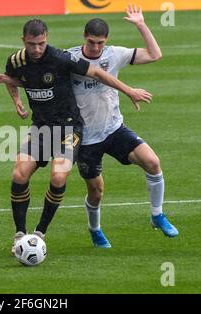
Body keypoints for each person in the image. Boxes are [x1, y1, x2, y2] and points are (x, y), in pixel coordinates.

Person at [0, 19, 152, 254]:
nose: (36, 49)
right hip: (41, 128)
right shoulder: (16, 59)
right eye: (31, 44)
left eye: (41, 43)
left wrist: (129, 90)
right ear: (23, 41)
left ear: (47, 38)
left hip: (69, 128)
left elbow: (97, 72)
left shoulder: (61, 58)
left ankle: (39, 233)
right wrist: (17, 101)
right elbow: (15, 78)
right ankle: (20, 234)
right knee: (19, 173)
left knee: (58, 176)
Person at [67, 4, 178, 249]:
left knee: (152, 162)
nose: (96, 47)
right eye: (92, 41)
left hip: (114, 129)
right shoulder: (71, 58)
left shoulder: (115, 54)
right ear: (84, 38)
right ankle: (95, 231)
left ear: (106, 41)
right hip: (86, 138)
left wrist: (141, 25)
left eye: (101, 43)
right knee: (96, 192)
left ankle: (157, 215)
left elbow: (155, 55)